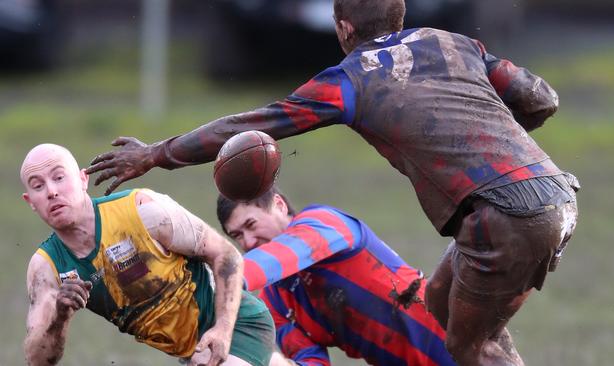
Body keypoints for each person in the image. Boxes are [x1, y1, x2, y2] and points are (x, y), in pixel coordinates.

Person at [86, 0, 579, 364]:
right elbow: (541, 100)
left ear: (343, 28)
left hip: (503, 213)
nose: (247, 237)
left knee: (468, 346)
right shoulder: (454, 43)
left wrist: (157, 154)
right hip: (550, 193)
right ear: (400, 17)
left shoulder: (350, 81)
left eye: (250, 226)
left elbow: (253, 126)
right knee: (442, 304)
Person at [20, 144, 275, 366]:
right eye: (38, 186)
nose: (52, 191)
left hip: (239, 324)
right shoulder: (46, 268)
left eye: (59, 178)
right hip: (196, 350)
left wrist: (222, 330)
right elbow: (37, 360)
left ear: (83, 180)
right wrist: (60, 316)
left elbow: (227, 255)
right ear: (30, 201)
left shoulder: (142, 211)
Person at [217, 186, 456, 366]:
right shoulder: (274, 302)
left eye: (251, 224)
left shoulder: (323, 223)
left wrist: (216, 285)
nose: (247, 241)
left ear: (279, 205)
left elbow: (277, 257)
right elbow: (310, 360)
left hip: (468, 348)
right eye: (236, 236)